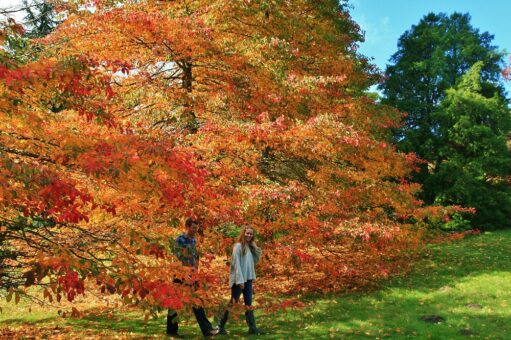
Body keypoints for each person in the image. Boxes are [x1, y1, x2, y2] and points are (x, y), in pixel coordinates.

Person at [167, 217, 219, 337]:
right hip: (180, 276)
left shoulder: (194, 240)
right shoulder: (179, 240)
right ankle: (171, 331)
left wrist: (196, 272)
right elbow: (177, 259)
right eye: (194, 228)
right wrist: (185, 274)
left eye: (197, 228)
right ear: (187, 227)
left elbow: (195, 258)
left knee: (197, 302)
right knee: (175, 303)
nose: (196, 230)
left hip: (193, 275)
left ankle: (207, 330)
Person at [217, 225, 263, 335]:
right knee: (233, 303)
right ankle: (220, 326)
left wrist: (254, 246)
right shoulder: (238, 246)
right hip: (239, 280)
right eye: (247, 233)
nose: (249, 235)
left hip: (248, 279)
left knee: (248, 303)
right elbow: (236, 264)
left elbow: (256, 260)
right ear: (243, 233)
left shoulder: (249, 247)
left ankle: (252, 328)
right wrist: (240, 280)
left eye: (251, 234)